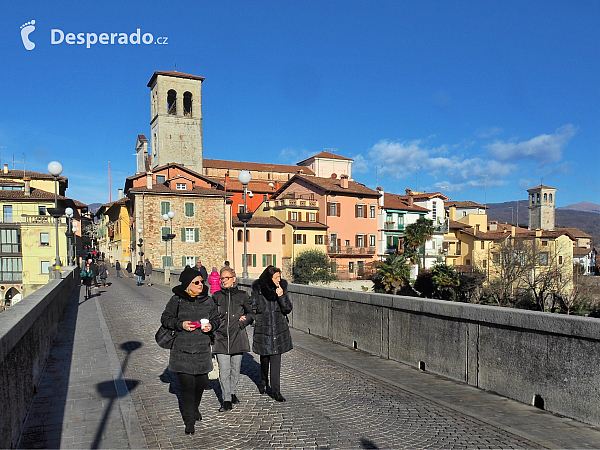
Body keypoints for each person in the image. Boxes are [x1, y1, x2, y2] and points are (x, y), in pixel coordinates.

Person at [160, 266, 220, 435]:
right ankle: (189, 421)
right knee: (187, 386)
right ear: (188, 285)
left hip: (202, 350)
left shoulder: (208, 301)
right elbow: (165, 318)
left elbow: (216, 319)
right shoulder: (176, 300)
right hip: (182, 350)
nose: (201, 284)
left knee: (200, 384)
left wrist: (211, 326)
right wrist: (181, 324)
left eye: (202, 281)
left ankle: (194, 408)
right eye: (197, 282)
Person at [212, 267, 254, 412]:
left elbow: (252, 313)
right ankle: (226, 400)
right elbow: (210, 315)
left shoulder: (243, 295)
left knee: (235, 370)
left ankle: (232, 392)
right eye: (222, 278)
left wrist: (244, 321)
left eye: (227, 278)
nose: (224, 281)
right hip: (220, 338)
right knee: (224, 370)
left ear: (234, 278)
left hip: (238, 336)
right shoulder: (216, 296)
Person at [251, 265, 293, 402]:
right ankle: (263, 380)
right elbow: (254, 307)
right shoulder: (258, 289)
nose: (278, 280)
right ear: (269, 278)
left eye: (279, 277)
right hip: (264, 329)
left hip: (278, 328)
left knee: (276, 360)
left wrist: (281, 296)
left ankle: (276, 391)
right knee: (264, 358)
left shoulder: (282, 288)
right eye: (275, 277)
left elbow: (287, 309)